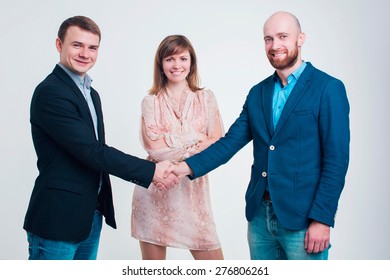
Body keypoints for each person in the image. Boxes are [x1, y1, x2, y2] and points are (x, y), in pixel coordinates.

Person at [167, 11, 350, 260]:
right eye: (268, 39)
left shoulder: (328, 88)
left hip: (304, 220)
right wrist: (185, 167)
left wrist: (322, 219)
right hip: (259, 218)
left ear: (301, 38)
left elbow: (336, 161)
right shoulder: (258, 93)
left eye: (283, 36)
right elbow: (230, 143)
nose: (275, 46)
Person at [23, 16, 178, 260]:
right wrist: (151, 171)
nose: (85, 53)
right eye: (77, 45)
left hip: (89, 216)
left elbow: (97, 150)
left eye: (92, 47)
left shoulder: (91, 93)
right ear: (58, 44)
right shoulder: (51, 92)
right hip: (57, 219)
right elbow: (91, 151)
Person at [131, 35, 224, 260]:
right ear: (161, 65)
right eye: (170, 59)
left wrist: (172, 139)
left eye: (183, 58)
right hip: (155, 192)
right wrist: (198, 138)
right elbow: (155, 149)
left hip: (193, 194)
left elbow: (219, 144)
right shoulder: (150, 102)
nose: (177, 65)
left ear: (191, 63)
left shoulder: (206, 98)